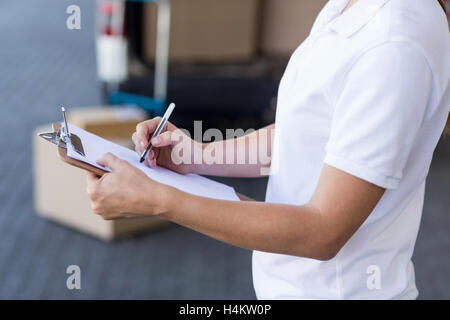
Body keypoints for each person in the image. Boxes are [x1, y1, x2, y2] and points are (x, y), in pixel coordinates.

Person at [86, 0, 450, 299]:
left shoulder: (394, 44)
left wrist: (159, 200)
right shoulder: (349, 7)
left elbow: (322, 231)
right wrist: (194, 157)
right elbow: (304, 134)